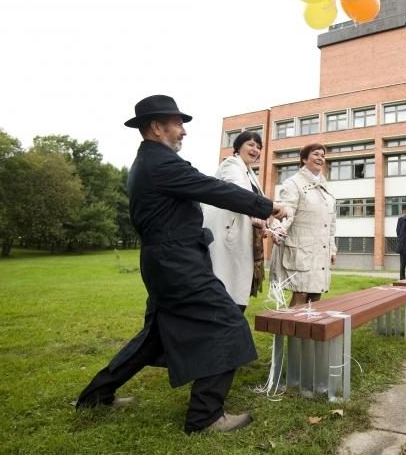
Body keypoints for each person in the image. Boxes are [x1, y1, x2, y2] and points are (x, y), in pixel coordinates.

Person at [76, 95, 286, 434]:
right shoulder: (161, 163)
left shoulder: (149, 162)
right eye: (178, 123)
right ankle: (205, 416)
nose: (183, 131)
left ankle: (95, 396)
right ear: (158, 127)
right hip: (177, 264)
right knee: (228, 324)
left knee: (153, 338)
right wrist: (267, 206)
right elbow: (212, 188)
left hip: (165, 262)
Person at [202, 131, 269, 314]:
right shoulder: (231, 164)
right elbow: (239, 193)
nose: (255, 149)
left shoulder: (250, 173)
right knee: (226, 287)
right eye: (251, 144)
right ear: (238, 147)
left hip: (240, 237)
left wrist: (268, 223)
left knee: (236, 289)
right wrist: (260, 214)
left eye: (258, 146)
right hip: (228, 236)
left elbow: (258, 201)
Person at [269, 143, 337, 307]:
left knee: (315, 294)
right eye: (315, 154)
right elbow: (286, 210)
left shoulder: (325, 188)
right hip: (301, 249)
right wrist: (280, 228)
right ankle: (290, 333)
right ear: (304, 159)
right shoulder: (293, 183)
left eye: (322, 155)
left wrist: (332, 248)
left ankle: (307, 333)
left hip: (321, 250)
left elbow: (331, 223)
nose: (320, 158)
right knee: (301, 293)